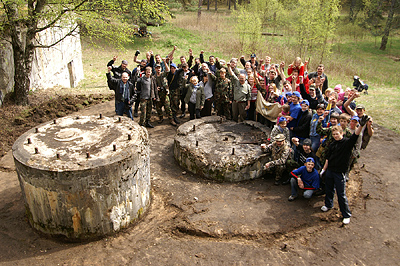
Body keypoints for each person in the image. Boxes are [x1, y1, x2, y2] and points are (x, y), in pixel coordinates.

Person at [320, 118, 366, 225]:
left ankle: (346, 214)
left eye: (337, 134)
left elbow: (355, 136)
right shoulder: (332, 145)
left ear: (341, 133)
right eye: (334, 134)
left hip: (340, 173)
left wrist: (361, 126)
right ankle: (328, 204)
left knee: (341, 194)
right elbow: (328, 158)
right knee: (329, 189)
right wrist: (323, 170)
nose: (336, 136)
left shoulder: (346, 143)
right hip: (330, 170)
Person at [154, 61, 176, 126]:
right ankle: (161, 118)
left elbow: (168, 70)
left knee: (167, 107)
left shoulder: (163, 74)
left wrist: (164, 62)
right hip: (158, 94)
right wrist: (156, 89)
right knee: (158, 107)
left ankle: (171, 119)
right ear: (155, 69)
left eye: (159, 68)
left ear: (161, 68)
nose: (158, 69)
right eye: (157, 68)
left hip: (165, 93)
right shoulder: (153, 77)